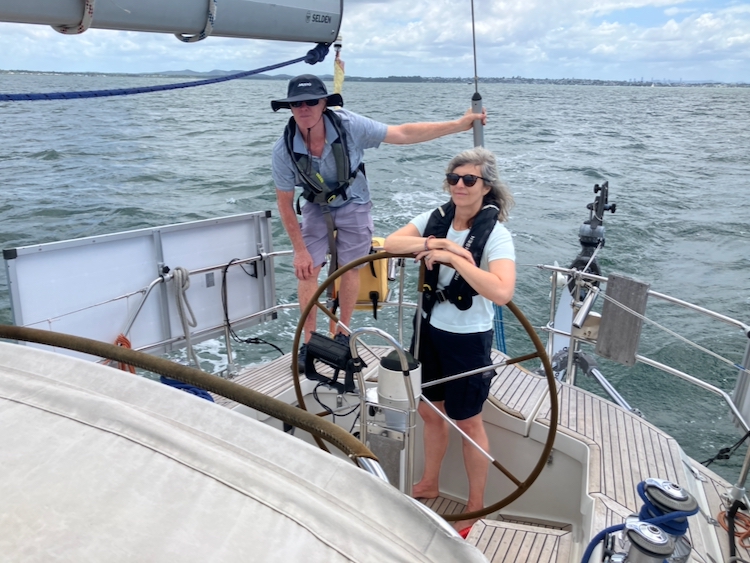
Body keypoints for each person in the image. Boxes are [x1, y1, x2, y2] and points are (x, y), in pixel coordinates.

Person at [270, 74, 487, 371]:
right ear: (290, 108)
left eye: (311, 101)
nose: (304, 108)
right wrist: (299, 251)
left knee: (352, 267)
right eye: (297, 103)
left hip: (354, 201)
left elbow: (402, 134)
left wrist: (458, 125)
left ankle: (342, 334)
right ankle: (309, 342)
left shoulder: (349, 126)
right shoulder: (283, 150)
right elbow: (283, 203)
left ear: (324, 104)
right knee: (307, 271)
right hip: (315, 206)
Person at [383, 146, 516, 531]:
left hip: (468, 339)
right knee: (430, 410)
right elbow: (391, 243)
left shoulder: (497, 236)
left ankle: (476, 507)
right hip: (428, 329)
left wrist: (457, 259)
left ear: (486, 187)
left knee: (469, 422)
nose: (460, 185)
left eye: (469, 179)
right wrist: (435, 244)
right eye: (454, 179)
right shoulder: (436, 219)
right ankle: (430, 481)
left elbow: (502, 291)